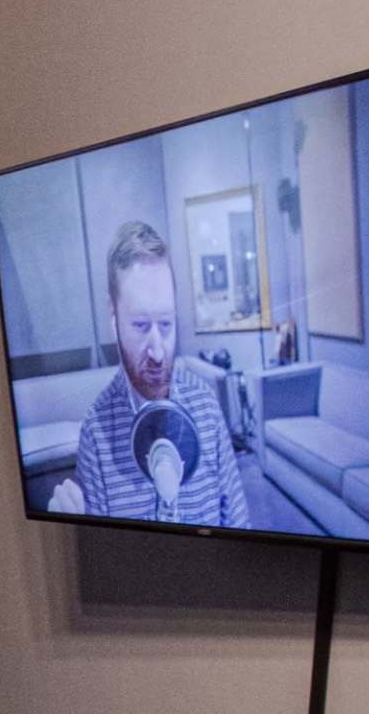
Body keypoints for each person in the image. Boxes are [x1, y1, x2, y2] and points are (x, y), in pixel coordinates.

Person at [55, 221, 254, 528]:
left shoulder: (206, 406)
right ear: (113, 316)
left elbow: (239, 526)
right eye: (140, 326)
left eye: (166, 324)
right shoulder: (96, 433)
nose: (158, 352)